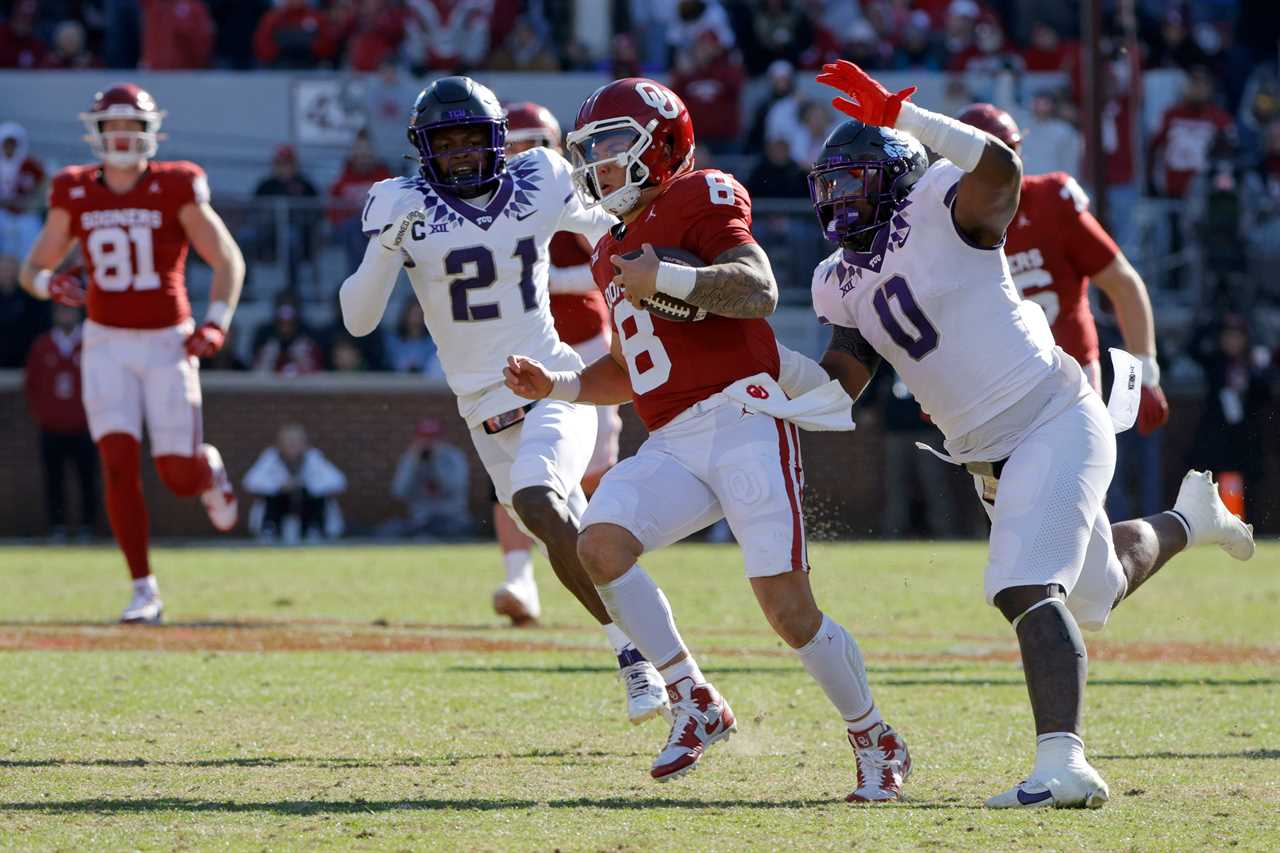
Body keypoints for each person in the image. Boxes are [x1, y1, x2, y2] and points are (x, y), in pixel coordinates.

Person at [808, 59, 1256, 808]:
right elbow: (839, 380)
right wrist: (762, 385)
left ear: (894, 175)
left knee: (1022, 584)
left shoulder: (943, 205)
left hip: (1053, 417)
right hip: (988, 460)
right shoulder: (837, 278)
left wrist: (910, 118)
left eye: (852, 181)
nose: (836, 199)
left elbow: (1002, 168)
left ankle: (1065, 764)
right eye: (829, 184)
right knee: (1092, 593)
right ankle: (1191, 519)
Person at [504, 77, 910, 800]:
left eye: (608, 148)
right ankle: (693, 698)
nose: (595, 166)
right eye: (588, 152)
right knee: (599, 544)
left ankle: (874, 733)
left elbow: (757, 287)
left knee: (787, 610)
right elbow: (632, 370)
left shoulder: (701, 195)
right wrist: (560, 384)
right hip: (671, 437)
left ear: (659, 146)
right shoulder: (610, 249)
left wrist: (668, 275)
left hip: (743, 418)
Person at [339, 76, 668, 726]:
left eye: (471, 140)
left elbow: (609, 225)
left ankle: (640, 660)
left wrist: (667, 264)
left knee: (539, 498)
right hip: (480, 408)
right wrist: (384, 247)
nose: (460, 154)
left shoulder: (540, 176)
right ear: (422, 148)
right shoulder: (397, 201)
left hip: (551, 380)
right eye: (446, 142)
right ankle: (646, 655)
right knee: (573, 534)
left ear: (496, 142)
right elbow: (357, 318)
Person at [19, 83, 244, 624]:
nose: (122, 136)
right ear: (95, 133)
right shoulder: (73, 189)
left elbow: (228, 260)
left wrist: (215, 324)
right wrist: (50, 286)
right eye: (112, 126)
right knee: (117, 465)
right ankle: (144, 588)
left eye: (132, 127)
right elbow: (32, 270)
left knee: (177, 476)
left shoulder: (176, 184)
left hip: (168, 340)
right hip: (106, 342)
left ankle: (207, 471)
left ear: (150, 133)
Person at [483, 101, 627, 626]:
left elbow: (617, 259)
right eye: (513, 145)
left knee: (592, 473)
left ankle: (604, 573)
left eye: (532, 144)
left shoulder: (572, 186)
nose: (523, 156)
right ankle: (521, 581)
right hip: (521, 351)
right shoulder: (489, 200)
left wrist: (542, 281)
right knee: (516, 470)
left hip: (587, 348)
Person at [957, 103, 1168, 425]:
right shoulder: (946, 221)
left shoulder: (1052, 200)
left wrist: (1145, 373)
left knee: (1075, 474)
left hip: (1071, 378)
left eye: (1005, 151)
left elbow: (1122, 284)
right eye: (983, 158)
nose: (995, 168)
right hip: (997, 387)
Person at [24, 302, 98, 541]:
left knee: (87, 479)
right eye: (61, 311)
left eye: (69, 310)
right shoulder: (42, 345)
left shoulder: (90, 344)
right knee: (54, 480)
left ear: (78, 313)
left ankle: (88, 526)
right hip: (52, 427)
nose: (65, 315)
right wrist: (43, 414)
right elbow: (33, 386)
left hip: (84, 427)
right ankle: (57, 527)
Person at [243, 423, 346, 543]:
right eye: (289, 441)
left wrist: (304, 485)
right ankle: (269, 531)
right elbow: (250, 482)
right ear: (280, 444)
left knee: (312, 496)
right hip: (280, 506)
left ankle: (314, 530)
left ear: (304, 444)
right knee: (273, 497)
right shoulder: (270, 458)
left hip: (307, 506)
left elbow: (339, 481)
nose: (293, 445)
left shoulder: (314, 458)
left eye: (297, 442)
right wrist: (279, 486)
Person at [382, 417, 474, 539]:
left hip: (451, 518)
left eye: (433, 438)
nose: (428, 442)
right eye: (424, 437)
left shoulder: (454, 457)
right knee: (389, 531)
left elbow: (453, 488)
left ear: (442, 439)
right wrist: (413, 464)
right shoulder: (411, 458)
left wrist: (436, 462)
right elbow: (399, 492)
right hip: (420, 520)